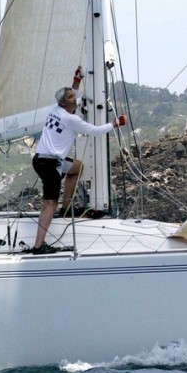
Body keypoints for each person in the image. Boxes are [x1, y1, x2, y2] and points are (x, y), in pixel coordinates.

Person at [31, 84, 125, 253]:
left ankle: (66, 209)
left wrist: (75, 83)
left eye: (73, 96)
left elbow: (70, 95)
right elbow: (95, 131)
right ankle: (38, 246)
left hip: (43, 159)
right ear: (63, 103)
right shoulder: (71, 119)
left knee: (76, 167)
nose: (75, 98)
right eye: (70, 97)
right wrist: (115, 123)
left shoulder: (55, 108)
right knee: (49, 203)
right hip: (49, 163)